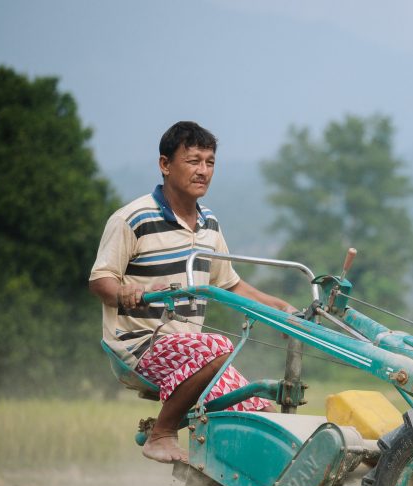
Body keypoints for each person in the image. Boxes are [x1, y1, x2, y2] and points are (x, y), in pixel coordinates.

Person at [88, 121, 295, 464]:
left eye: (210, 162)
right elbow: (100, 280)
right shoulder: (133, 219)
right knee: (218, 347)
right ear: (165, 165)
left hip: (193, 355)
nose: (203, 171)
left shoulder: (209, 224)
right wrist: (125, 291)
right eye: (193, 161)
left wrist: (282, 309)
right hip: (142, 344)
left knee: (261, 414)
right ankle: (161, 434)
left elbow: (230, 285)